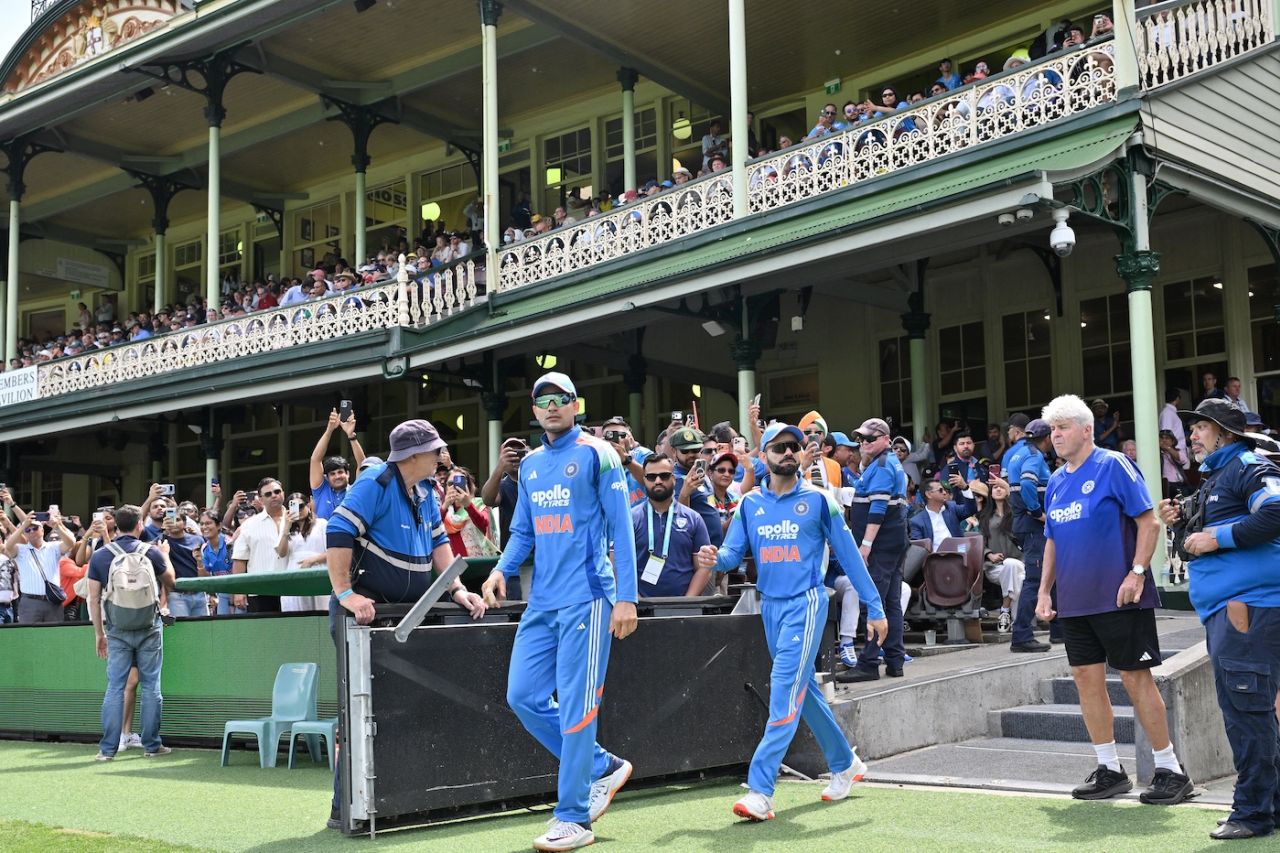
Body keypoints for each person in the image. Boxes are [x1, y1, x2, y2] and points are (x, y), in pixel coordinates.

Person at [694, 422, 887, 822]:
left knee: (783, 688)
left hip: (807, 603)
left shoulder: (819, 500)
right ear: (763, 456)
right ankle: (845, 763)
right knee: (804, 690)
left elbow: (850, 555)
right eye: (778, 447)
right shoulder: (749, 504)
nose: (787, 452)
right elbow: (732, 555)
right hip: (770, 607)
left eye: (793, 447)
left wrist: (875, 607)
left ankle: (760, 790)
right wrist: (714, 558)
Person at [480, 372, 638, 853]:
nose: (552, 406)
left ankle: (573, 817)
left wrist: (627, 598)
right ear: (533, 410)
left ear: (576, 405)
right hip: (542, 601)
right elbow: (523, 532)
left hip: (588, 597)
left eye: (560, 398)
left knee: (576, 707)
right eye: (543, 399)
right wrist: (500, 570)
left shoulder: (598, 453)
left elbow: (622, 529)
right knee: (522, 696)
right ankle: (602, 767)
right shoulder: (529, 465)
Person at [325, 418, 487, 831]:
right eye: (436, 450)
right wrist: (346, 594)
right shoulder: (375, 482)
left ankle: (399, 803)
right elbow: (338, 530)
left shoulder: (427, 489)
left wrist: (457, 589)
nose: (442, 456)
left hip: (406, 614)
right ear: (414, 455)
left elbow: (438, 541)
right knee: (361, 712)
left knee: (405, 707)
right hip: (365, 616)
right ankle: (346, 810)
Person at [1035, 395, 1191, 806]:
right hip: (1075, 601)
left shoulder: (1114, 465)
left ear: (1086, 429)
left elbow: (1149, 522)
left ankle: (1171, 769)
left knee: (1135, 679)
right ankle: (1109, 769)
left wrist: (1137, 573)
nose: (1056, 435)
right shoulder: (1056, 481)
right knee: (1085, 680)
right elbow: (1052, 541)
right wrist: (1045, 590)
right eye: (1052, 429)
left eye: (1063, 427)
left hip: (1120, 596)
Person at [1160, 399, 1280, 840]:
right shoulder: (1219, 475)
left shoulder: (1247, 466)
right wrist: (1180, 523)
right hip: (1234, 608)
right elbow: (1197, 539)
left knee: (1247, 712)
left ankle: (1252, 812)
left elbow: (1276, 512)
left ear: (1226, 434)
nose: (1191, 435)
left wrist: (1218, 538)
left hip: (1246, 608)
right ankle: (1269, 806)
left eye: (1201, 428)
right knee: (1251, 711)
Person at [86, 504, 175, 760]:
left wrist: (99, 633)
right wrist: (165, 555)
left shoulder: (101, 556)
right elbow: (171, 581)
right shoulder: (151, 551)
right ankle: (152, 745)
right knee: (151, 687)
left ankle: (107, 750)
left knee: (115, 687)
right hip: (149, 626)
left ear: (116, 525)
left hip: (117, 628)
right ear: (139, 525)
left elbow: (94, 599)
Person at [838, 417, 909, 683]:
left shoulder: (882, 465)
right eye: (861, 439)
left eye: (869, 438)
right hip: (892, 541)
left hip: (881, 544)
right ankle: (895, 660)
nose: (863, 443)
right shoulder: (884, 463)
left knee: (874, 602)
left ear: (885, 440)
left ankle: (868, 663)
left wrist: (866, 545)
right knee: (890, 602)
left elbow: (878, 508)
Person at [1006, 418, 1060, 652]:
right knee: (1036, 579)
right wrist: (1038, 513)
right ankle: (1021, 636)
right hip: (1033, 526)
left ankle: (1059, 630)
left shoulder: (1017, 453)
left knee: (1051, 574)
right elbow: (1028, 484)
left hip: (1026, 525)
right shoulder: (1034, 456)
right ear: (1047, 437)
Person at [632, 454, 712, 597]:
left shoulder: (694, 518)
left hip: (683, 605)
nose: (658, 481)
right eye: (651, 477)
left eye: (664, 476)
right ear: (644, 480)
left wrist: (687, 602)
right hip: (639, 605)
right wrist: (636, 601)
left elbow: (703, 567)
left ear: (674, 479)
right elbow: (618, 564)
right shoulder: (630, 519)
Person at [230, 478, 290, 613]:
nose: (274, 495)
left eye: (277, 492)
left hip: (294, 589)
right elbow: (239, 559)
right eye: (268, 494)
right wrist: (238, 591)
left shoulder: (298, 520)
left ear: (283, 493)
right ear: (261, 499)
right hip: (260, 591)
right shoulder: (249, 525)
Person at [4, 510, 75, 623]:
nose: (32, 531)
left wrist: (57, 526)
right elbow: (8, 546)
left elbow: (71, 544)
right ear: (25, 534)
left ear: (42, 530)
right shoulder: (21, 549)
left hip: (52, 601)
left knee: (53, 633)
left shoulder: (53, 547)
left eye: (35, 528)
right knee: (29, 633)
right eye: (28, 530)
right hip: (30, 601)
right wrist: (23, 527)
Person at [978, 478, 1024, 634]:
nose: (998, 489)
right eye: (994, 488)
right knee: (1017, 578)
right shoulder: (985, 517)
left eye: (1001, 487)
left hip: (1019, 562)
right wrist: (989, 554)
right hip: (995, 567)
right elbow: (979, 541)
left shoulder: (1017, 514)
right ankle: (1018, 623)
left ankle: (1005, 611)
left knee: (1014, 568)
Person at [310, 407, 365, 520]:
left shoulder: (355, 491)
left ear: (348, 474)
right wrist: (329, 430)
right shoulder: (321, 491)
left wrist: (351, 436)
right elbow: (315, 459)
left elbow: (363, 464)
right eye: (332, 474)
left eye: (340, 472)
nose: (337, 476)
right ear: (326, 477)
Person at [278, 494, 329, 612]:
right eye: (293, 507)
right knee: (296, 611)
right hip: (294, 573)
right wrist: (286, 529)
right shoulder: (287, 527)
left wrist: (312, 560)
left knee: (321, 609)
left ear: (308, 505)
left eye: (300, 506)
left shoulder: (322, 524)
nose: (298, 510)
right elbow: (281, 553)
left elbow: (332, 552)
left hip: (317, 570)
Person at [162, 513, 208, 618]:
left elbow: (206, 567)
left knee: (203, 626)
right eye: (170, 520)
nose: (174, 523)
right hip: (177, 595)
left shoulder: (198, 539)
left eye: (177, 519)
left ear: (185, 523)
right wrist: (163, 531)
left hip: (199, 593)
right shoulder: (163, 542)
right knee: (182, 627)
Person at [198, 510, 240, 615]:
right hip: (222, 593)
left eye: (208, 523)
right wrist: (199, 562)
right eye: (202, 524)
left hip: (239, 590)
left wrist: (235, 594)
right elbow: (206, 577)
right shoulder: (204, 548)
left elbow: (238, 570)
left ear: (219, 525)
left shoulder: (230, 543)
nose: (204, 527)